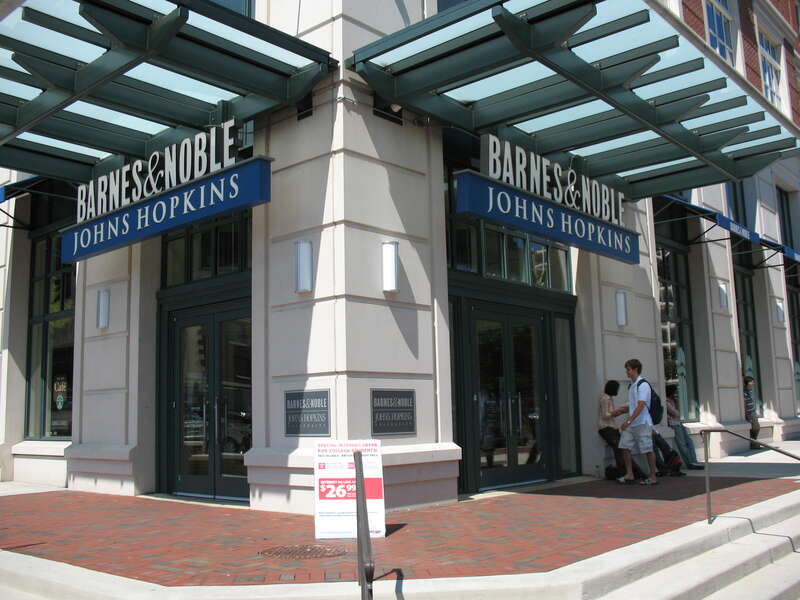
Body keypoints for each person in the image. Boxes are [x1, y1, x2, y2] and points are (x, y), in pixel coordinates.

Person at [616, 358, 659, 485]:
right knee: (624, 446)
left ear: (635, 369)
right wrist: (619, 411)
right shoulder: (632, 385)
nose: (627, 372)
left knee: (647, 449)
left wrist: (628, 421)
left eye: (628, 369)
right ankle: (629, 474)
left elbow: (640, 406)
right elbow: (632, 404)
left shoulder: (643, 385)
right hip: (633, 423)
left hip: (642, 423)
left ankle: (653, 476)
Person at [598, 380, 646, 481]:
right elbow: (605, 415)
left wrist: (617, 413)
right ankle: (629, 472)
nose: (618, 390)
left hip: (611, 428)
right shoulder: (605, 398)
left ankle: (632, 472)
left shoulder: (609, 398)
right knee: (620, 448)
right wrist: (616, 412)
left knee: (622, 449)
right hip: (606, 428)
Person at [665, 384, 702, 469]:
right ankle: (690, 463)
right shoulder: (666, 402)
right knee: (682, 444)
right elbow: (676, 413)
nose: (675, 394)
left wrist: (676, 403)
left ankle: (694, 461)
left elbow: (677, 414)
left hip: (679, 423)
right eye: (674, 392)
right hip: (674, 424)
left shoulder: (673, 401)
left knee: (689, 442)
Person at [743, 376, 760, 450]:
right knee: (755, 427)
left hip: (752, 411)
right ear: (747, 382)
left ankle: (753, 442)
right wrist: (746, 413)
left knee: (755, 427)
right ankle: (753, 443)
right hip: (749, 412)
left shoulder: (750, 390)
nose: (753, 383)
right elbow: (744, 402)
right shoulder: (743, 391)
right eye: (752, 381)